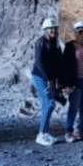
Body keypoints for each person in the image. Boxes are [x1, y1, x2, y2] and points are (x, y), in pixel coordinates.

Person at [31, 17, 64, 146]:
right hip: (40, 77)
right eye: (51, 29)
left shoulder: (56, 45)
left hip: (49, 78)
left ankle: (44, 133)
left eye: (55, 29)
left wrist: (59, 83)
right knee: (49, 103)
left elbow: (59, 64)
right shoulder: (40, 43)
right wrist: (49, 79)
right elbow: (39, 63)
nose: (53, 31)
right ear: (45, 30)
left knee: (49, 104)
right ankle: (41, 134)